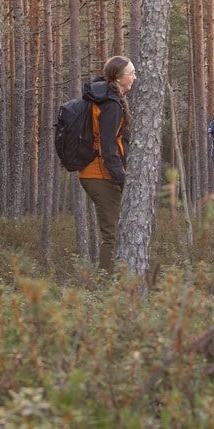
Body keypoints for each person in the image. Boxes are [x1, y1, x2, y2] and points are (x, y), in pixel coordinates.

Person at [77, 56, 134, 272]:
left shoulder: (106, 98)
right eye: (131, 73)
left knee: (115, 231)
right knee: (113, 234)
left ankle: (113, 281)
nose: (134, 77)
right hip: (99, 174)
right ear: (119, 78)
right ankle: (106, 289)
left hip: (95, 172)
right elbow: (108, 147)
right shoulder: (110, 105)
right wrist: (121, 179)